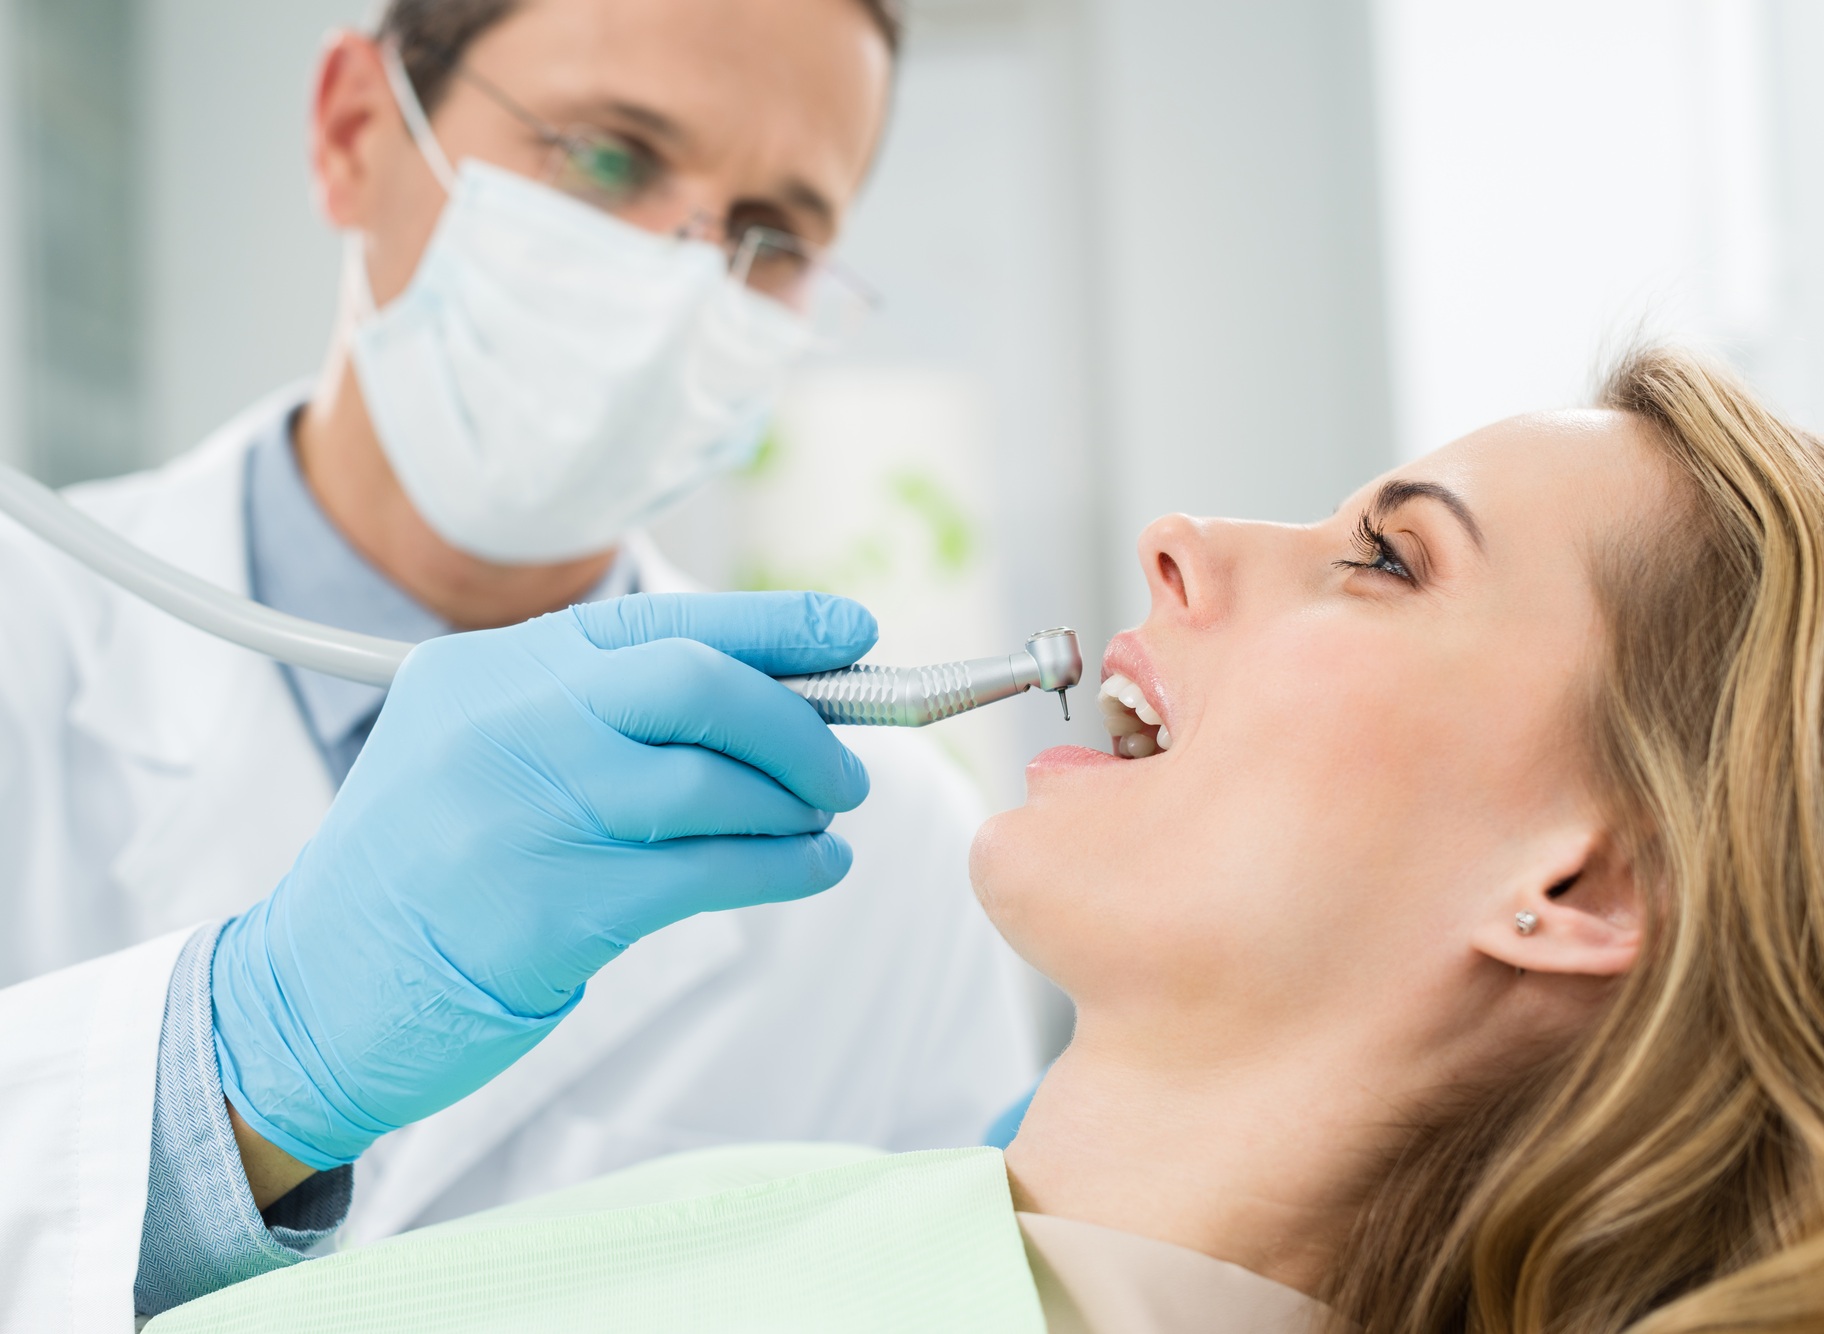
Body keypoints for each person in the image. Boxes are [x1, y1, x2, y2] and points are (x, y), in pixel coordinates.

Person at [146, 345, 1824, 1333]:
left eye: (1387, 560)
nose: (1181, 538)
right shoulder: (793, 1218)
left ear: (1582, 882)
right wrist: (220, 1106)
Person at [0, 1, 1034, 1329]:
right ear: (355, 131)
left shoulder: (894, 853)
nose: (687, 284)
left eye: (778, 237)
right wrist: (231, 1070)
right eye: (611, 158)